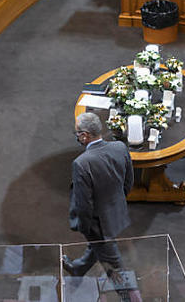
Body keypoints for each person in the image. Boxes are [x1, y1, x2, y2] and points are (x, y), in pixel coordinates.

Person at [62, 112, 134, 277]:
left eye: (77, 134)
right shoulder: (120, 147)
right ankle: (78, 269)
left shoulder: (81, 163)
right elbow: (128, 182)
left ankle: (128, 295)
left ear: (85, 135)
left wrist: (87, 228)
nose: (77, 137)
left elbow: (84, 203)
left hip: (98, 225)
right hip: (117, 213)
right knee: (99, 247)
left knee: (115, 267)